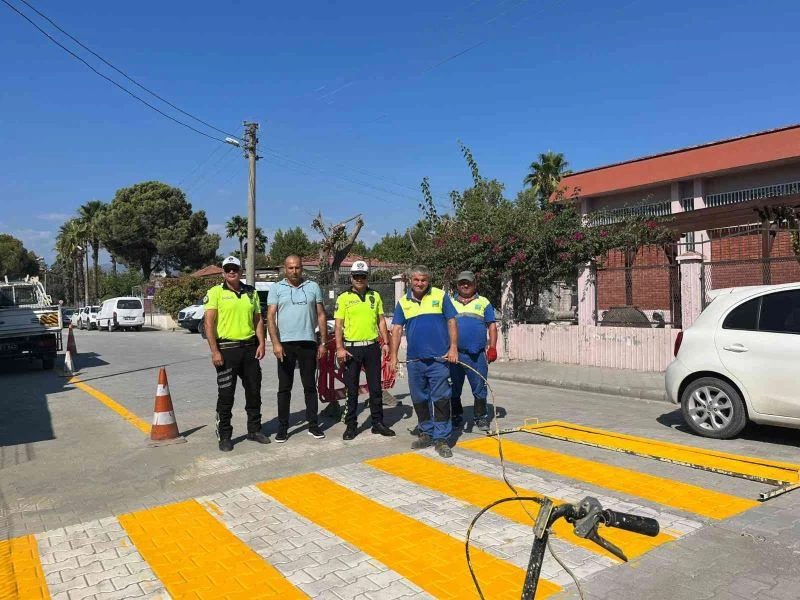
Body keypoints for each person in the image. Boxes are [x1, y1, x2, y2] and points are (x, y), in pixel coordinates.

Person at [388, 265, 458, 458]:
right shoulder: (403, 303)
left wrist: (453, 348)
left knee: (442, 399)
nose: (420, 283)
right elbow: (396, 330)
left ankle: (442, 438)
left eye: (424, 280)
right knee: (419, 399)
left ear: (429, 281)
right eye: (417, 280)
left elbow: (452, 321)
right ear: (411, 280)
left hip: (439, 360)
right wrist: (393, 356)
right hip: (415, 361)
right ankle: (426, 432)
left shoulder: (440, 296)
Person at [203, 256, 269, 452]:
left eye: (235, 269)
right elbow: (209, 323)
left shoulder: (251, 292)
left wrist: (262, 343)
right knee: (226, 395)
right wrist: (214, 351)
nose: (232, 272)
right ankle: (224, 435)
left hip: (249, 349)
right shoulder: (215, 292)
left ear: (241, 271)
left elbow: (258, 320)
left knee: (254, 391)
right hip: (226, 350)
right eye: (228, 269)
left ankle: (254, 430)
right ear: (223, 272)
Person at [267, 255, 327, 443]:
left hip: (308, 343)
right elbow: (270, 317)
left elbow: (321, 315)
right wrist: (275, 343)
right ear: (285, 269)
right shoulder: (276, 288)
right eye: (291, 268)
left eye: (297, 268)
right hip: (285, 344)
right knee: (284, 388)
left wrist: (323, 342)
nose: (294, 271)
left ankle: (313, 425)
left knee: (310, 386)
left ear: (302, 268)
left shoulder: (313, 287)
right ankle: (283, 428)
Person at [334, 260, 396, 440]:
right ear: (351, 277)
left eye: (363, 276)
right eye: (356, 276)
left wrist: (385, 343)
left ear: (367, 277)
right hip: (352, 349)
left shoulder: (374, 296)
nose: (360, 279)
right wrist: (339, 347)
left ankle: (377, 423)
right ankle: (351, 425)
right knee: (351, 389)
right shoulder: (343, 298)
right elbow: (339, 326)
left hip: (372, 347)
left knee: (376, 388)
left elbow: (381, 320)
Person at [449, 271, 498, 431]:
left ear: (474, 284)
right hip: (455, 354)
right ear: (457, 285)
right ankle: (456, 416)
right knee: (454, 388)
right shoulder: (449, 302)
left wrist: (492, 347)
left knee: (479, 387)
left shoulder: (484, 302)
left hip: (476, 355)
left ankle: (481, 417)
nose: (465, 285)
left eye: (468, 283)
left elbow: (492, 326)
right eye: (462, 282)